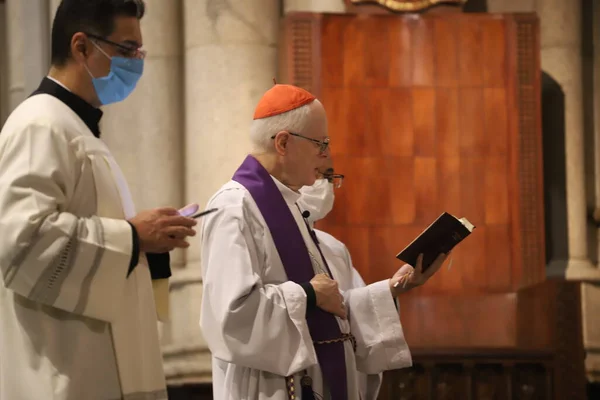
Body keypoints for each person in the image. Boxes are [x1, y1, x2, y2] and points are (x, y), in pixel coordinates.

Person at [199, 83, 448, 399]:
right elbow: (230, 317)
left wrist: (399, 286)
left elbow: (332, 310)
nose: (327, 155)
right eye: (320, 143)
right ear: (284, 143)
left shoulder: (292, 210)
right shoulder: (234, 207)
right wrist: (307, 294)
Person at [0, 1, 197, 399]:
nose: (136, 62)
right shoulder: (41, 124)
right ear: (82, 47)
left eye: (139, 52)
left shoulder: (77, 130)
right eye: (126, 49)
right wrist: (132, 238)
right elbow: (21, 241)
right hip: (65, 374)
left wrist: (146, 240)